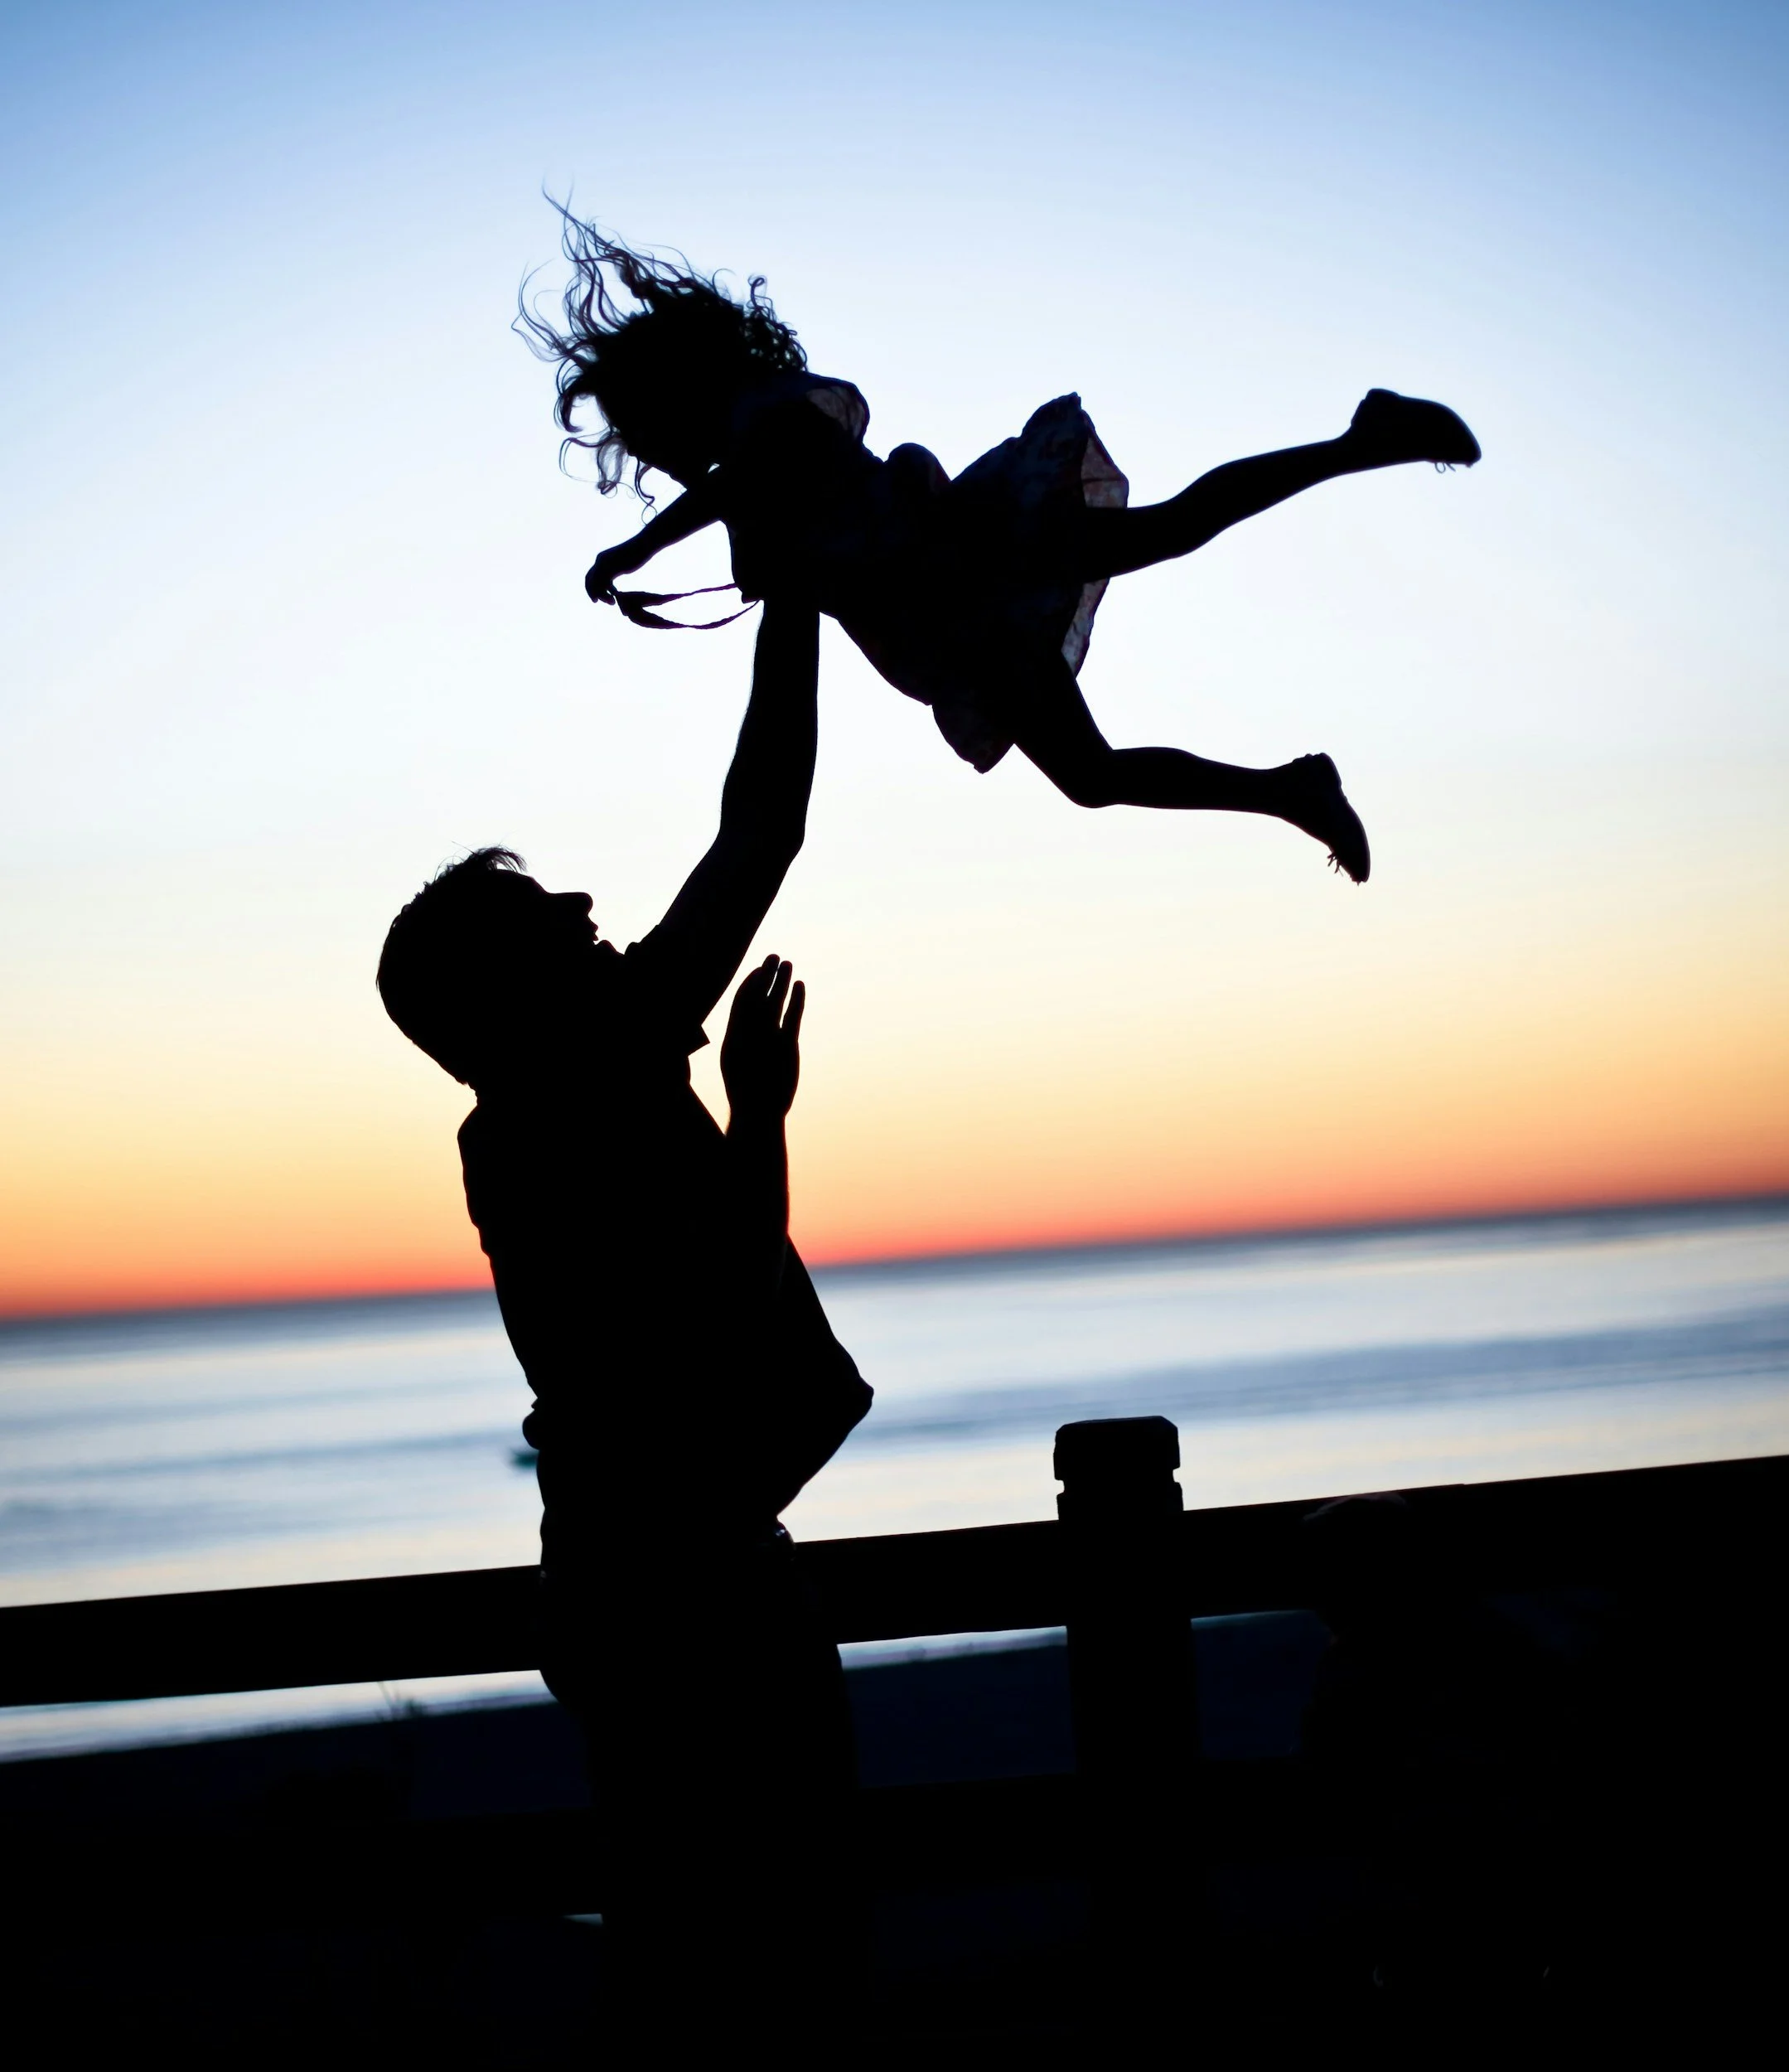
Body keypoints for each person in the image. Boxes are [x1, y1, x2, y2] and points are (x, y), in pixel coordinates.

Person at [375, 600, 870, 2046]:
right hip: (689, 1584)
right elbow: (760, 826)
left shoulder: (515, 1127)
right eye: (550, 920)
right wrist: (793, 586)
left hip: (620, 1577)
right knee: (782, 1945)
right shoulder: (583, 1074)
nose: (592, 913)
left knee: (695, 1933)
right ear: (513, 994)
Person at [517, 207, 1485, 883]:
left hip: (971, 571)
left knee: (1168, 549)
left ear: (668, 394)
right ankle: (1290, 788)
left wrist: (638, 552)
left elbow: (746, 492)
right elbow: (765, 525)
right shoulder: (751, 449)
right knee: (1097, 772)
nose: (643, 450)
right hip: (957, 615)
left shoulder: (758, 427)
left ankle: (1366, 441)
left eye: (637, 426)